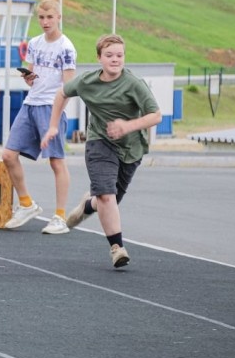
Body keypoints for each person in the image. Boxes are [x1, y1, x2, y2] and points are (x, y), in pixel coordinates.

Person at [42, 34, 161, 268]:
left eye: (119, 55)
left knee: (109, 200)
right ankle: (117, 248)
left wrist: (127, 126)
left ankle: (89, 205)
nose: (115, 59)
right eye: (109, 55)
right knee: (107, 196)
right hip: (99, 142)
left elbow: (155, 115)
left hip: (131, 148)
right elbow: (61, 94)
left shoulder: (134, 84)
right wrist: (53, 126)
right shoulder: (87, 82)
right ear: (99, 58)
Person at [2, 0, 77, 234]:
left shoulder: (66, 48)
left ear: (59, 18)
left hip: (50, 106)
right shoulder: (34, 43)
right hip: (30, 103)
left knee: (56, 161)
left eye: (50, 17)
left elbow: (69, 86)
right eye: (42, 18)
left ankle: (60, 217)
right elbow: (31, 74)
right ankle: (26, 204)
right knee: (8, 155)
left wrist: (55, 119)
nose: (45, 22)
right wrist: (28, 77)